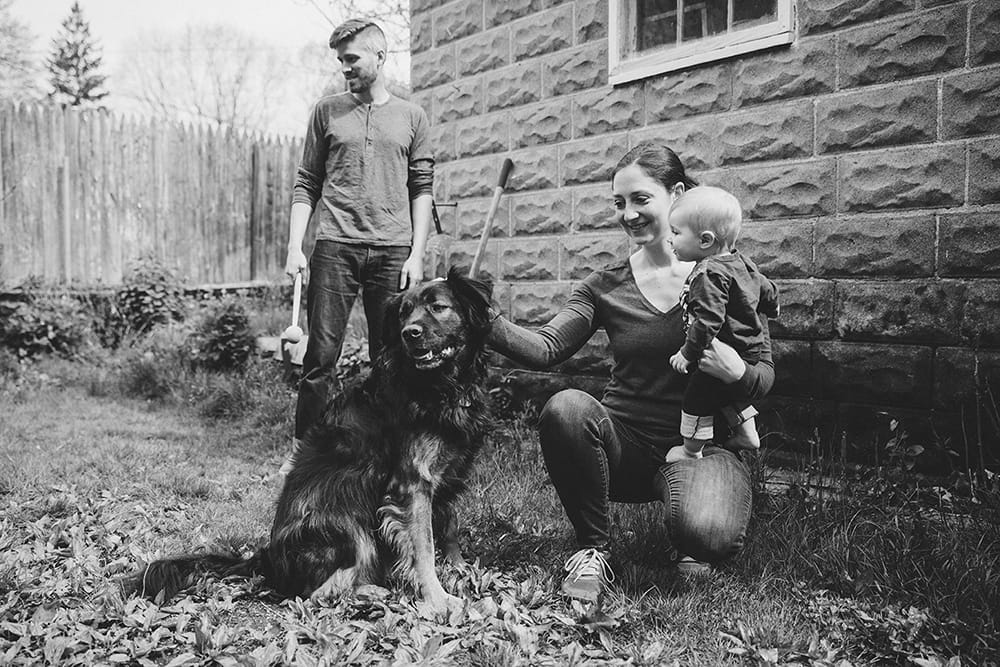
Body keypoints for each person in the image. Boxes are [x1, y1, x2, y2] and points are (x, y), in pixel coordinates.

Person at [487, 142, 774, 601]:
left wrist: (738, 371)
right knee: (565, 409)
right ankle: (593, 550)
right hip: (624, 446)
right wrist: (486, 321)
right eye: (619, 203)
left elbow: (763, 375)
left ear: (676, 194)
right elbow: (547, 347)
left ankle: (691, 529)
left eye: (640, 199)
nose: (628, 214)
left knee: (706, 535)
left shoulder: (726, 279)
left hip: (701, 446)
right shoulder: (605, 286)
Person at [281, 19, 434, 474]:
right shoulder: (326, 111)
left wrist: (417, 253)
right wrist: (295, 247)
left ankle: (385, 454)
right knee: (319, 359)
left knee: (388, 361)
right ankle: (301, 457)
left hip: (391, 250)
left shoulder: (412, 117)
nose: (344, 67)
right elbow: (306, 183)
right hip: (334, 246)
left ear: (380, 58)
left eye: (352, 58)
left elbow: (421, 189)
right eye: (340, 60)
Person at [666, 186, 779, 461]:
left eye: (676, 233)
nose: (670, 240)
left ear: (705, 240)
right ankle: (747, 433)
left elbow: (707, 322)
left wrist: (686, 353)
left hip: (724, 350)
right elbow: (767, 288)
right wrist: (772, 306)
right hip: (748, 351)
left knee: (697, 396)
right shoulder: (742, 262)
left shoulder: (709, 273)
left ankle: (691, 451)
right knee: (726, 392)